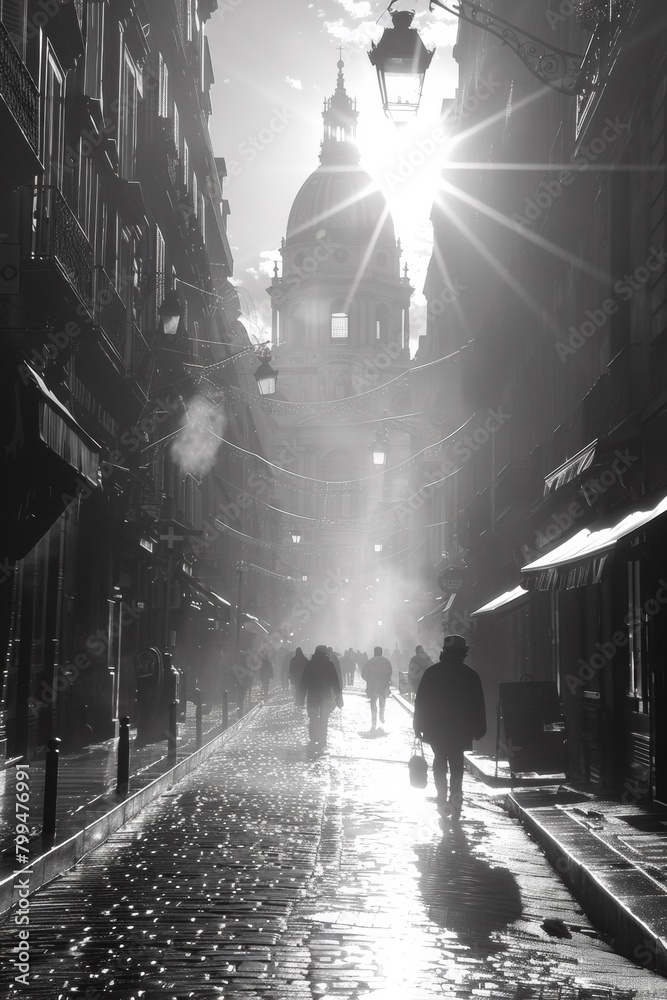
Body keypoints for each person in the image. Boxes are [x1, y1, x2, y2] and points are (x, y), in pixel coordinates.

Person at [413, 634, 486, 821]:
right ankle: (455, 799)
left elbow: (421, 701)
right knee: (456, 763)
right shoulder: (470, 675)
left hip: (436, 728)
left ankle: (441, 798)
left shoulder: (432, 673)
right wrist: (480, 728)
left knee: (439, 760)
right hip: (460, 729)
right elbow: (478, 704)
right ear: (463, 654)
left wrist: (418, 725)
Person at [298, 645, 343, 749]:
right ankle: (323, 738)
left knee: (313, 718)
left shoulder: (310, 664)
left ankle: (314, 737)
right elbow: (335, 681)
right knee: (324, 718)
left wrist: (300, 697)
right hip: (325, 696)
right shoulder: (329, 665)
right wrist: (338, 695)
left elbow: (303, 682)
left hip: (313, 696)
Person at [361, 646, 392, 730]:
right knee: (382, 701)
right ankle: (381, 715)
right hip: (383, 685)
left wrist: (369, 680)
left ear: (374, 652)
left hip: (373, 686)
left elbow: (363, 674)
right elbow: (390, 672)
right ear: (381, 652)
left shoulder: (370, 662)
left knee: (373, 703)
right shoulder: (386, 662)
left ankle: (374, 722)